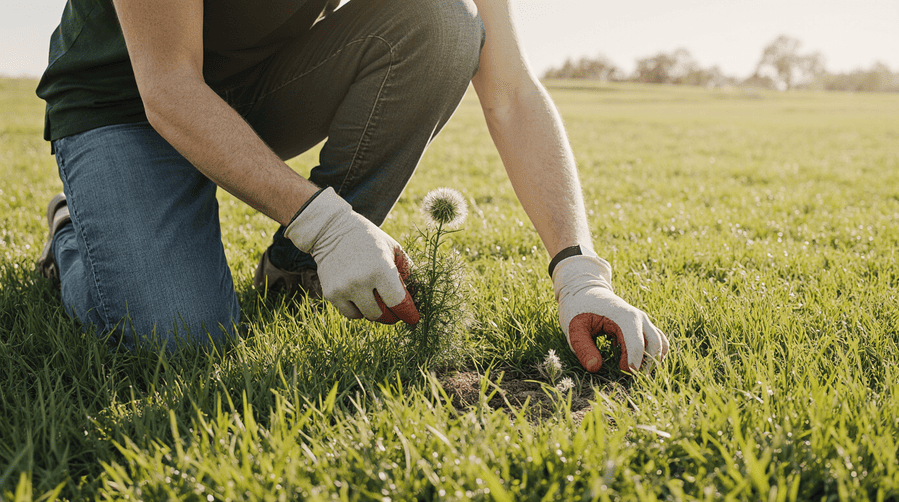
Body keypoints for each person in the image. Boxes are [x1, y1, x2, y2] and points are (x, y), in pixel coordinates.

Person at [36, 0, 669, 372]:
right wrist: (329, 224)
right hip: (122, 106)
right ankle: (75, 230)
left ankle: (294, 272)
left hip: (256, 89)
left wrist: (580, 274)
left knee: (443, 19)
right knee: (180, 338)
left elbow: (509, 91)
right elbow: (169, 87)